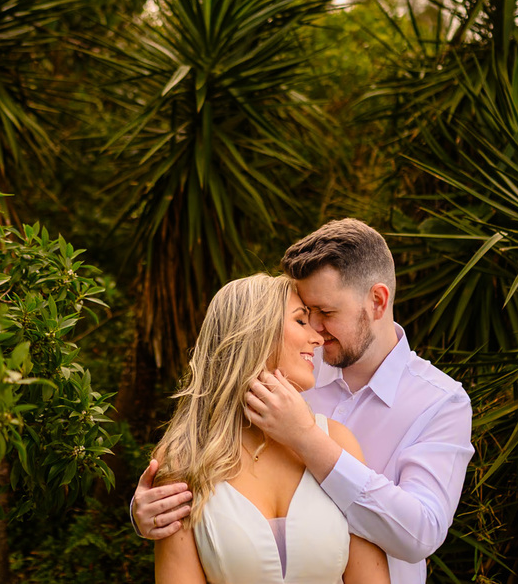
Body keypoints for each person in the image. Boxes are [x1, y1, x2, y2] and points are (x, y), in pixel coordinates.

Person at [136, 219, 474, 584]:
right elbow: (208, 452)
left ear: (377, 301)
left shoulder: (440, 402)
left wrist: (306, 438)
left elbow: (421, 533)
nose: (314, 331)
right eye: (304, 315)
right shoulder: (299, 370)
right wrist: (151, 511)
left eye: (325, 313)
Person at [152, 272, 390, 583]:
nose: (318, 338)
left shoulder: (339, 443)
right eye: (301, 321)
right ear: (256, 332)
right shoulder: (184, 459)